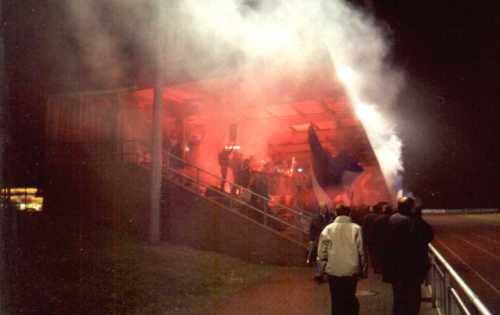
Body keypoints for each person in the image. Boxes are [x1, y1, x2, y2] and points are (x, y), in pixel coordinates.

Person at [382, 196, 434, 315]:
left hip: (395, 268)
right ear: (411, 208)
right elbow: (429, 235)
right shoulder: (413, 222)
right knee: (412, 300)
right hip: (412, 268)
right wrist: (417, 217)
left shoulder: (390, 220)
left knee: (398, 299)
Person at [317, 204, 367, 315]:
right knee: (350, 297)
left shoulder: (328, 229)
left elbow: (321, 253)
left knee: (336, 300)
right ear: (349, 214)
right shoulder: (357, 228)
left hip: (333, 270)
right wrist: (363, 270)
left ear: (335, 213)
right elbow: (362, 251)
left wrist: (320, 271)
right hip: (351, 270)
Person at [308, 202, 334, 282]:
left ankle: (324, 273)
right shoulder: (315, 218)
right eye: (322, 208)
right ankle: (319, 274)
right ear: (320, 209)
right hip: (318, 240)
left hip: (328, 240)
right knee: (319, 258)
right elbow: (312, 230)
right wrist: (311, 240)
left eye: (325, 208)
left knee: (327, 258)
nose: (324, 209)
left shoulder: (330, 217)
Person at [362, 202, 386, 273]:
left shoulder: (367, 217)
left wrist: (364, 237)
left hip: (369, 237)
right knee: (378, 252)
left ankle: (375, 266)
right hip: (378, 237)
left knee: (372, 252)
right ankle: (378, 266)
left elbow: (364, 228)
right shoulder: (380, 217)